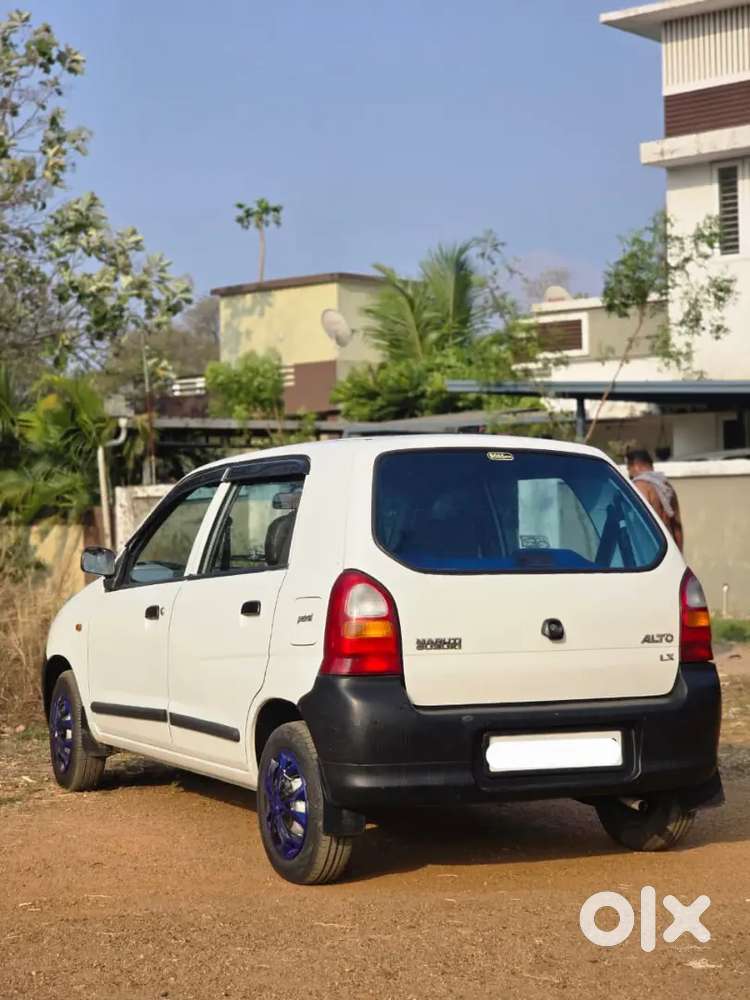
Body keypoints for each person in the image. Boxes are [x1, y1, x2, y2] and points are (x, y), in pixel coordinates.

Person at [626, 448, 683, 552]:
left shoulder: (640, 486)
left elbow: (639, 525)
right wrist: (680, 556)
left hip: (650, 553)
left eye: (628, 469)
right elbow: (677, 527)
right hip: (669, 550)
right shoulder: (667, 487)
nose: (629, 474)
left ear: (635, 465)